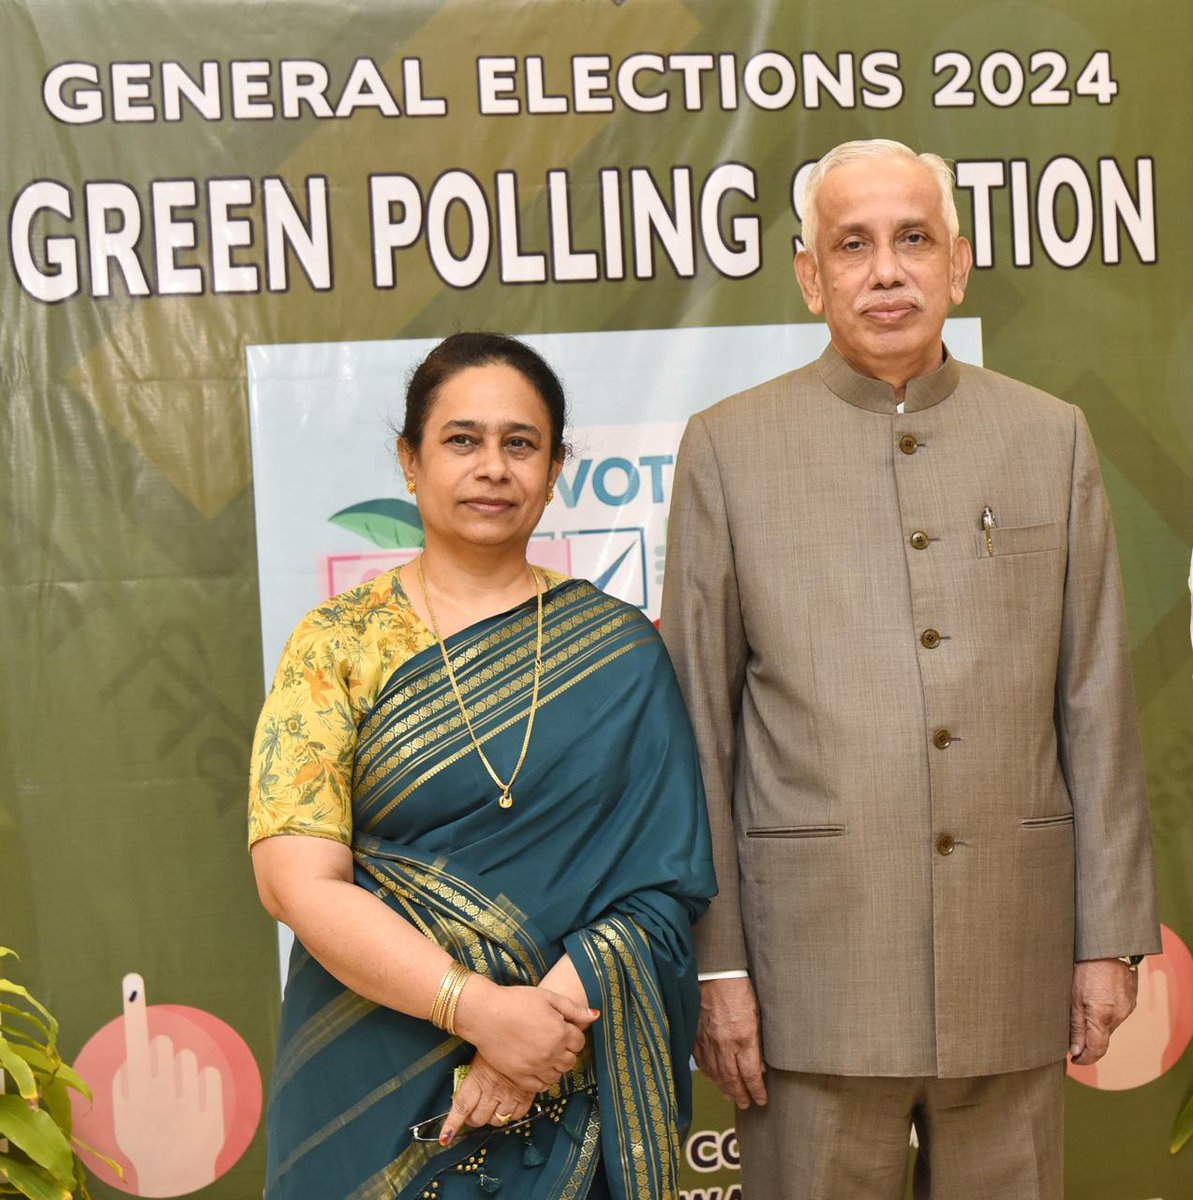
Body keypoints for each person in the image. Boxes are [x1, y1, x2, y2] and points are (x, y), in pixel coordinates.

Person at [660, 139, 1160, 1199]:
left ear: (958, 264)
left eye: (911, 240)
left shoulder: (1049, 437)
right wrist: (717, 964)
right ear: (809, 275)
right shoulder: (727, 448)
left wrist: (1106, 938)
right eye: (852, 245)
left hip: (1010, 950)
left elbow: (1094, 704)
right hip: (810, 969)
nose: (885, 271)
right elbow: (696, 726)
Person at [249, 332, 715, 1200]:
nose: (492, 467)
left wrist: (530, 1043)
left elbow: (661, 887)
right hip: (368, 1053)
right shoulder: (336, 645)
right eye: (461, 440)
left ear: (555, 467)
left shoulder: (620, 652)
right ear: (410, 461)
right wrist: (478, 1011)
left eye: (520, 443)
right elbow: (295, 883)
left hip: (564, 1055)